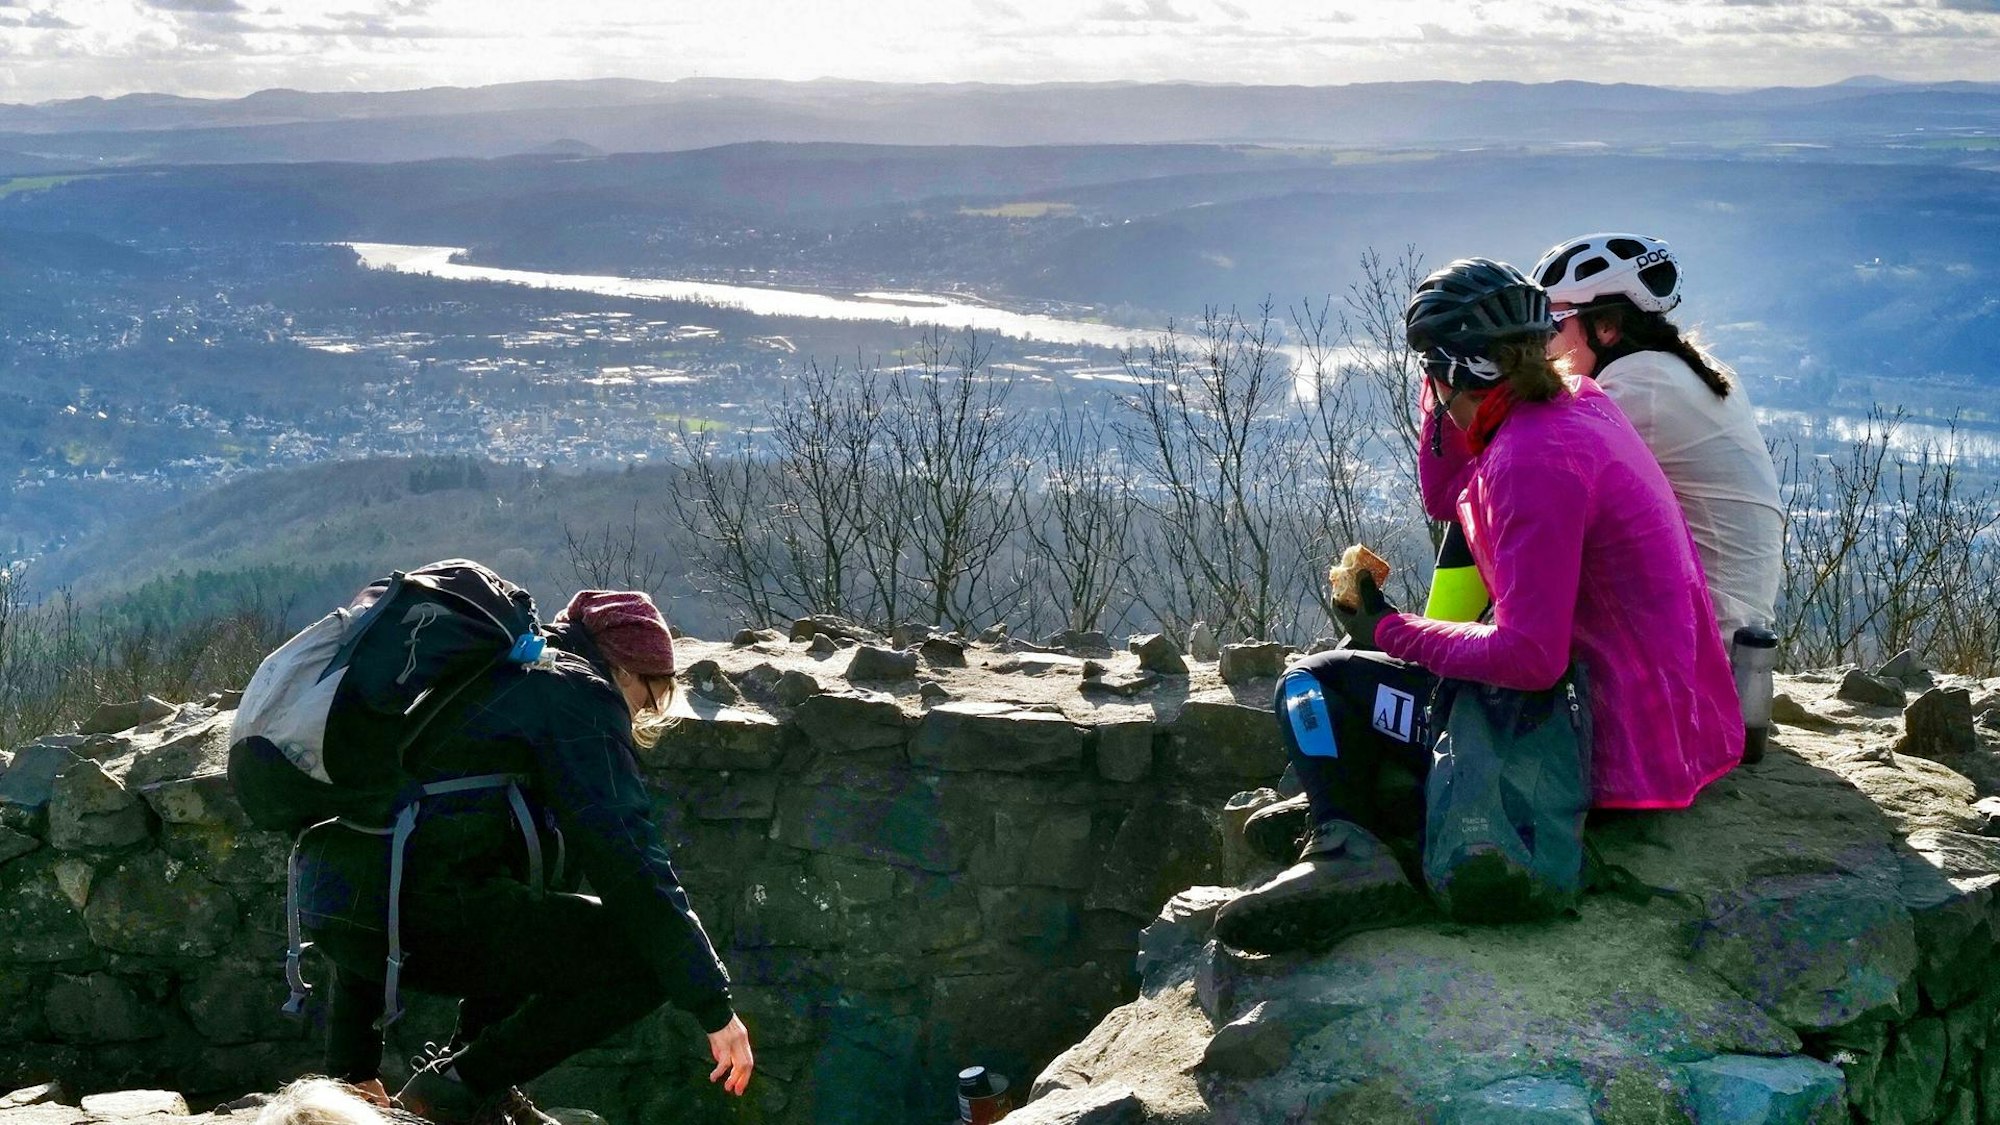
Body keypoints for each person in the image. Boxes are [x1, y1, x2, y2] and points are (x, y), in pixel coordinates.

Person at [1214, 258, 1743, 954]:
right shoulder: (1576, 405)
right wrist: (1442, 407)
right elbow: (1447, 496)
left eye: (1428, 371)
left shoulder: (1532, 460)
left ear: (1453, 370)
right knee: (1368, 661)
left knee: (1314, 680)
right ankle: (1362, 808)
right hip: (1656, 728)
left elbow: (1530, 656)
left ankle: (1348, 851)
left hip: (1587, 748)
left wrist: (1390, 628)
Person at [296, 589, 754, 1124]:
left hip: (334, 900)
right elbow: (629, 858)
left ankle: (464, 1084)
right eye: (651, 697)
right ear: (628, 670)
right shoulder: (580, 696)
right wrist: (713, 1006)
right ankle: (462, 1085)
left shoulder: (498, 671)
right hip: (414, 913)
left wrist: (350, 1069)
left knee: (528, 904)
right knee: (642, 956)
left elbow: (391, 845)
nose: (644, 713)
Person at [1531, 233, 1783, 644]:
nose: (1544, 343)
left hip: (1698, 642)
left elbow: (1535, 473)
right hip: (1725, 630)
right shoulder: (1679, 368)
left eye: (1554, 323)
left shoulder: (1636, 385)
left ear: (1607, 328)